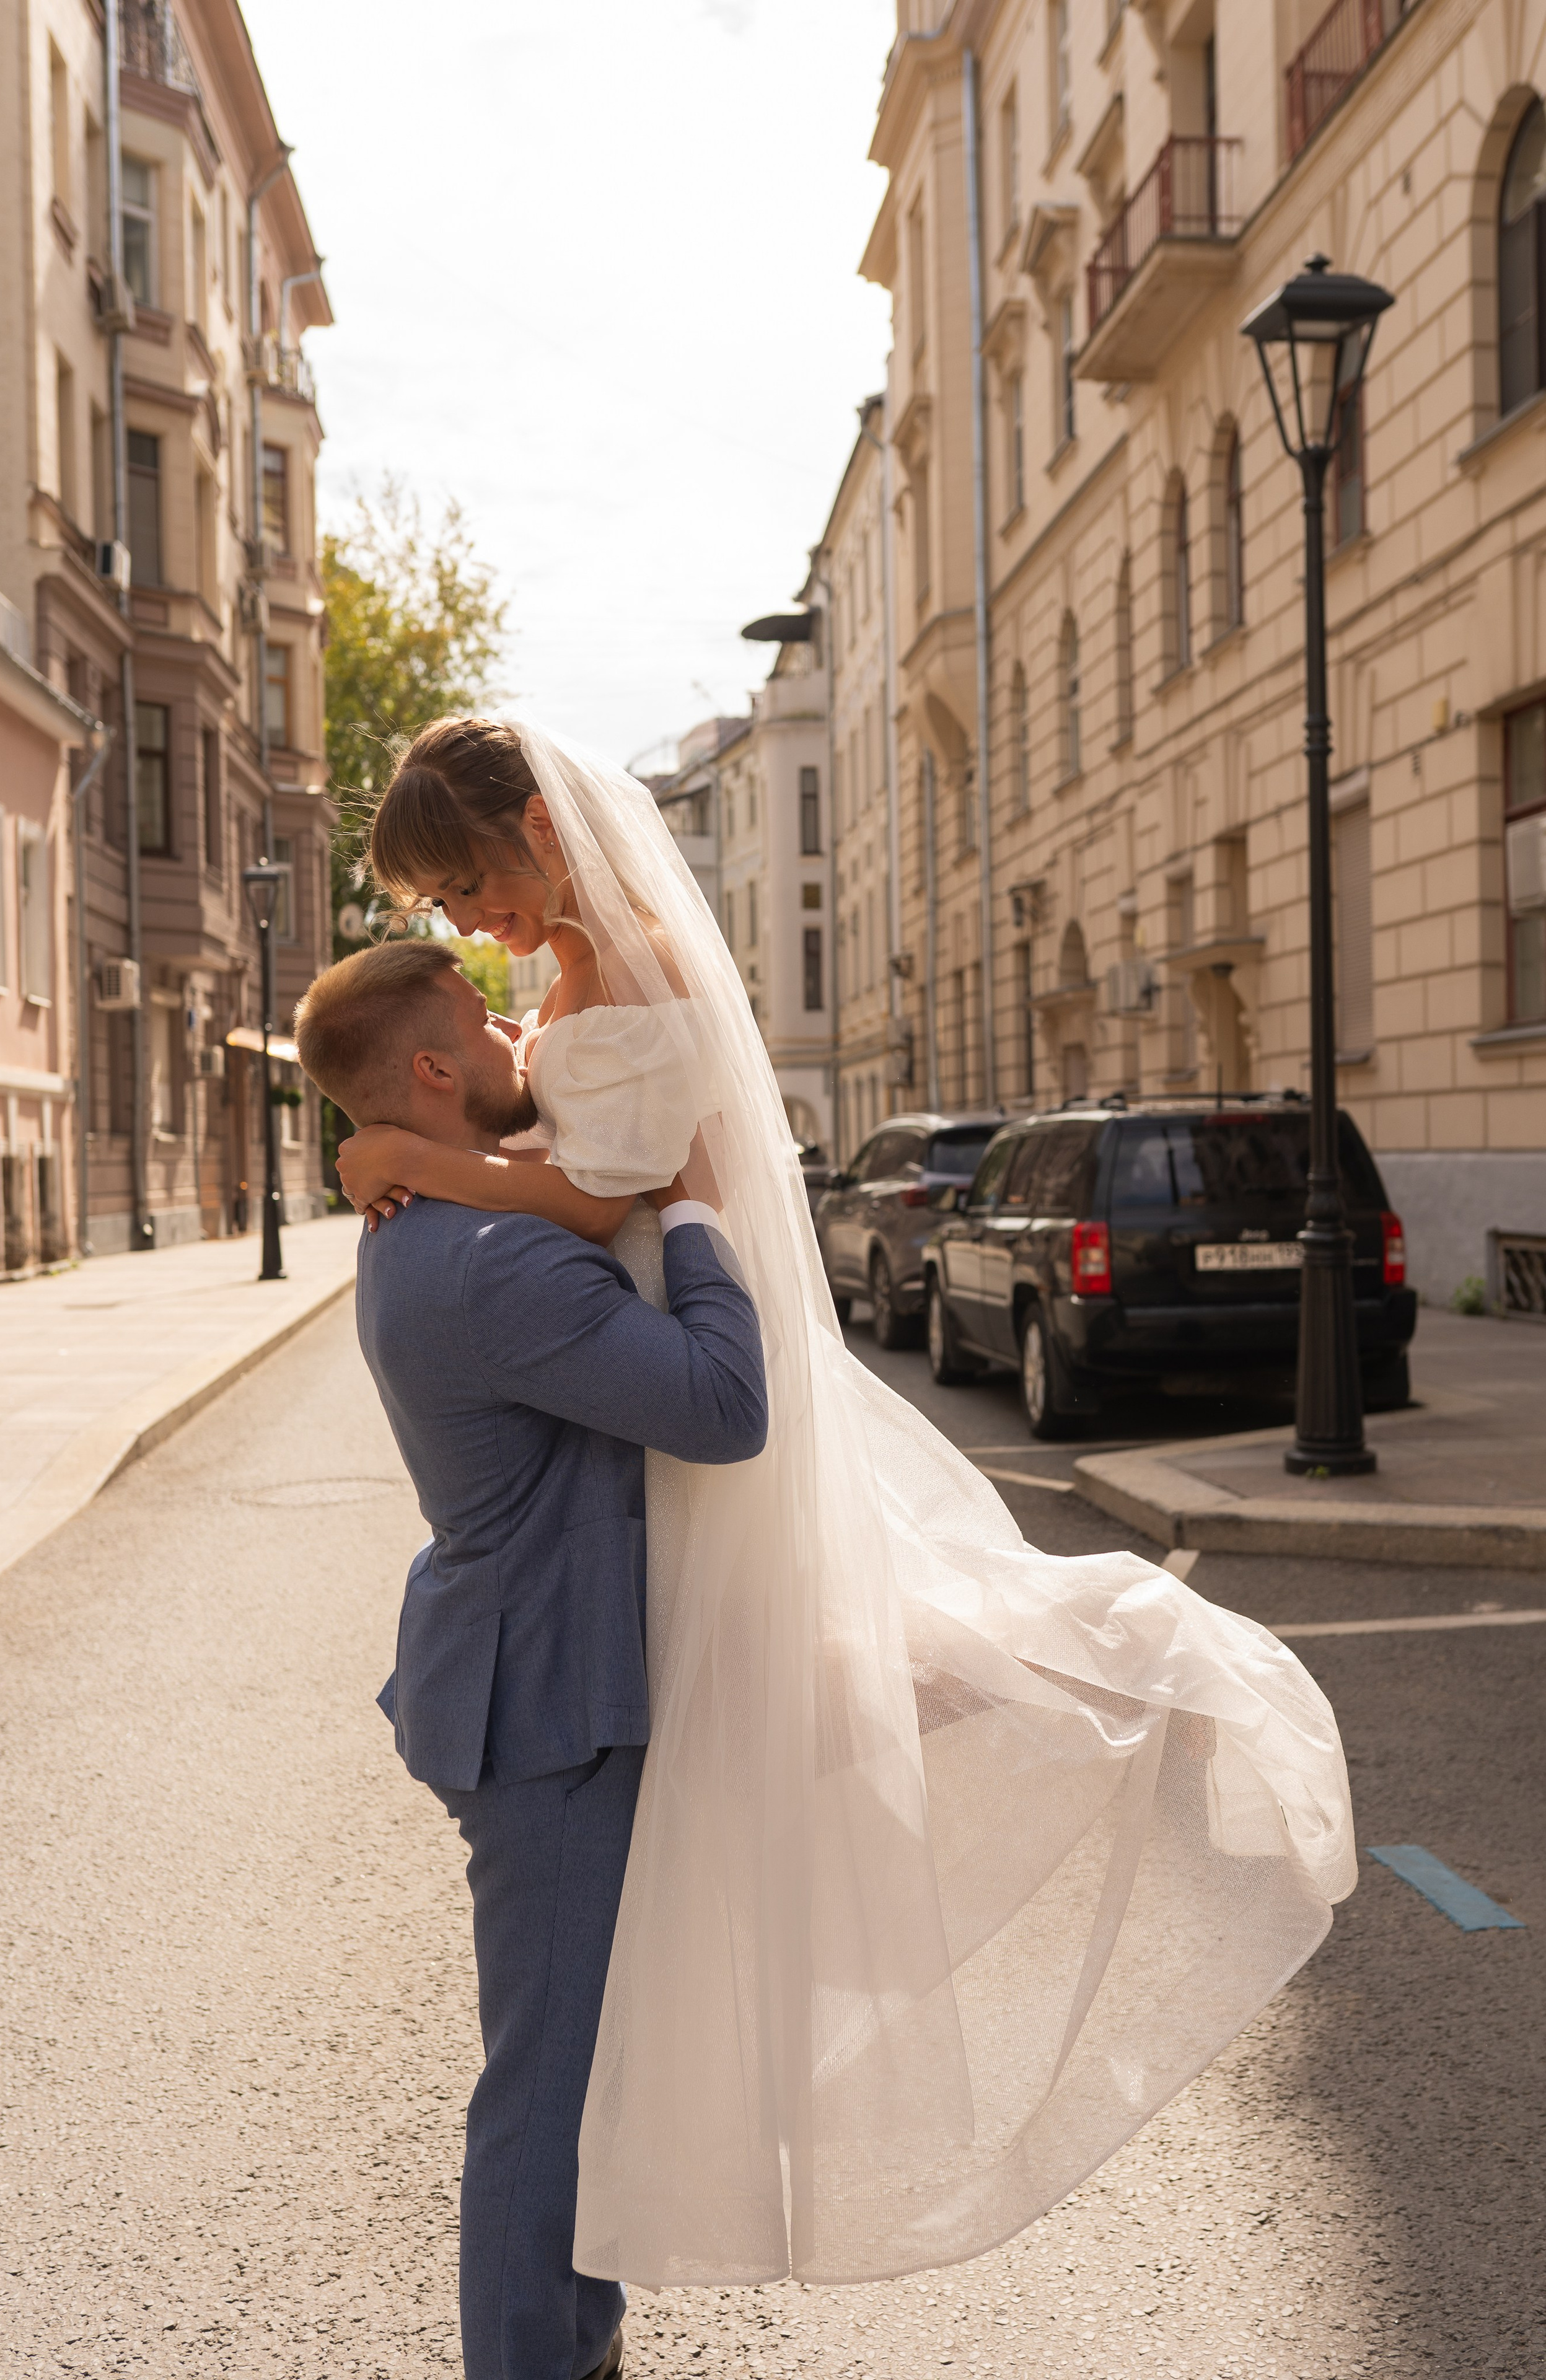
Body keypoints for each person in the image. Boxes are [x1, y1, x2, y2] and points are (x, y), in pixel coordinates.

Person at [336, 714, 1358, 2291]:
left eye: (469, 886)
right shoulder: (575, 976)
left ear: (541, 827)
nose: (471, 930)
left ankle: (1131, 1664)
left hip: (686, 1348)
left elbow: (603, 1193)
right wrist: (452, 1138)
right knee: (768, 1726)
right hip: (649, 1382)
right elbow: (576, 1144)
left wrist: (415, 1151)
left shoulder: (634, 961)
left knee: (795, 1702)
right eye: (446, 914)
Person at [293, 936, 768, 2380]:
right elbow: (719, 1402)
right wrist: (694, 1219)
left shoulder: (447, 1219)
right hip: (545, 1706)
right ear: (435, 1069)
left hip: (529, 1671)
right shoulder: (490, 1260)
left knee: (577, 2070)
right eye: (484, 1025)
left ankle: (577, 2343)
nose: (520, 1031)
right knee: (548, 2091)